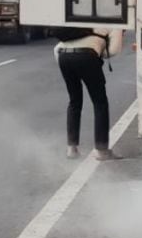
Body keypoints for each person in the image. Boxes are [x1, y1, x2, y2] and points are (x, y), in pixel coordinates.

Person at [54, 28, 125, 160]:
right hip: (87, 56)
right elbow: (114, 50)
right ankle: (102, 150)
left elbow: (57, 48)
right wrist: (99, 49)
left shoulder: (81, 19)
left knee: (74, 101)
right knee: (100, 103)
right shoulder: (115, 24)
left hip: (63, 55)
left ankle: (71, 149)